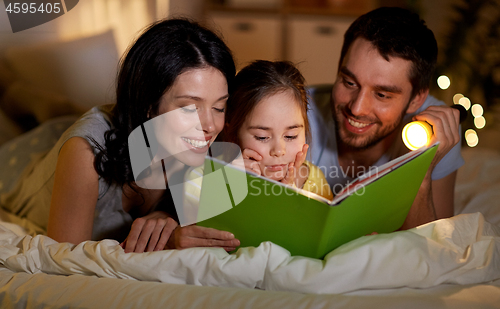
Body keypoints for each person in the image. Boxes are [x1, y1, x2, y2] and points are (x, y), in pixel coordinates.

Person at [0, 18, 241, 253]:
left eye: (219, 107)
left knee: (64, 111)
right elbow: (63, 263)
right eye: (189, 107)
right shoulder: (85, 151)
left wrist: (166, 214)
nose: (210, 125)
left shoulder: (211, 138)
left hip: (119, 124)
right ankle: (15, 94)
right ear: (148, 102)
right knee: (49, 117)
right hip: (21, 163)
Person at [307, 7, 464, 229]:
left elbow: (436, 249)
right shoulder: (295, 113)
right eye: (349, 82)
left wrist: (420, 172)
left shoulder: (436, 129)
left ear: (417, 99)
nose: (357, 108)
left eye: (382, 94)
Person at [224, 60, 333, 200]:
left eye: (291, 136)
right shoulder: (216, 173)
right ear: (232, 134)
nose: (279, 151)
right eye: (262, 137)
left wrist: (287, 197)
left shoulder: (314, 181)